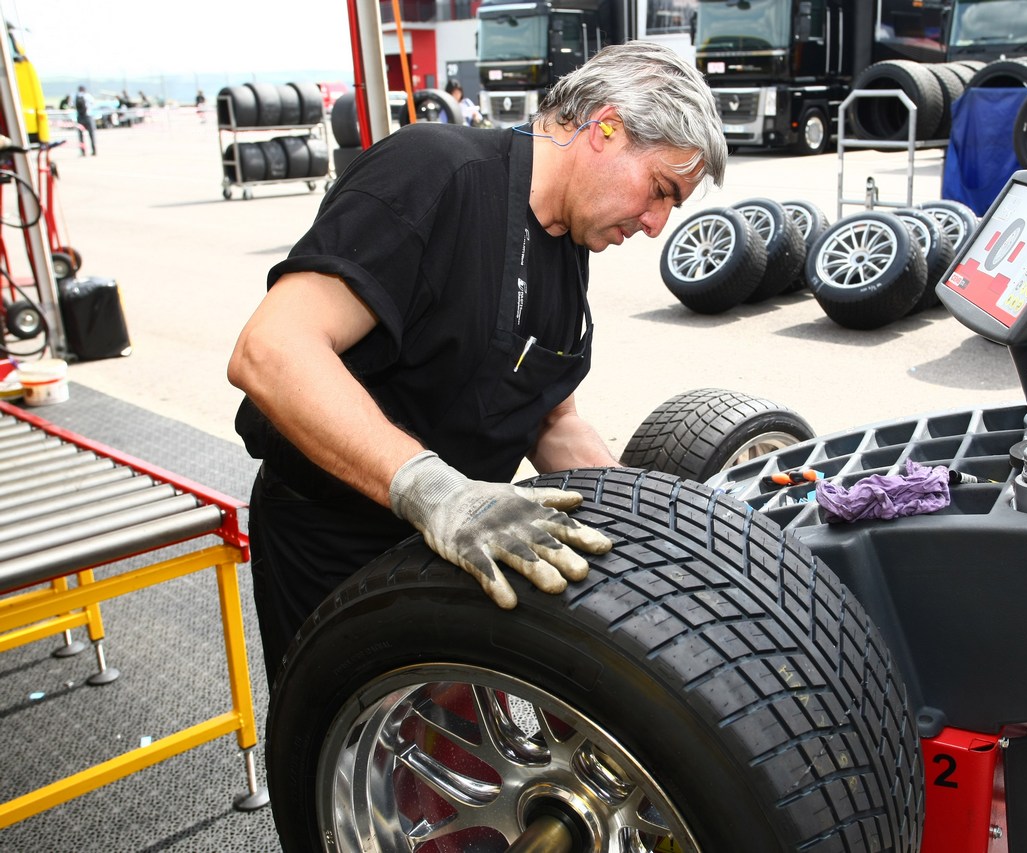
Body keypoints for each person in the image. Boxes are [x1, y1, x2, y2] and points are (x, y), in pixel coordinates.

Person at [227, 41, 726, 684]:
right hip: (337, 548)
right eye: (660, 190)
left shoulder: (565, 245)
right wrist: (438, 495)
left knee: (448, 759)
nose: (657, 224)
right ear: (606, 127)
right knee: (354, 761)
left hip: (460, 551)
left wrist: (653, 524)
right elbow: (271, 350)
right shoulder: (434, 171)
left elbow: (552, 421)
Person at [73, 85, 96, 156]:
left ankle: (83, 152)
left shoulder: (76, 96)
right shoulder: (88, 96)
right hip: (88, 116)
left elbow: (73, 105)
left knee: (80, 136)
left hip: (80, 117)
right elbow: (93, 103)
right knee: (91, 135)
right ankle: (94, 150)